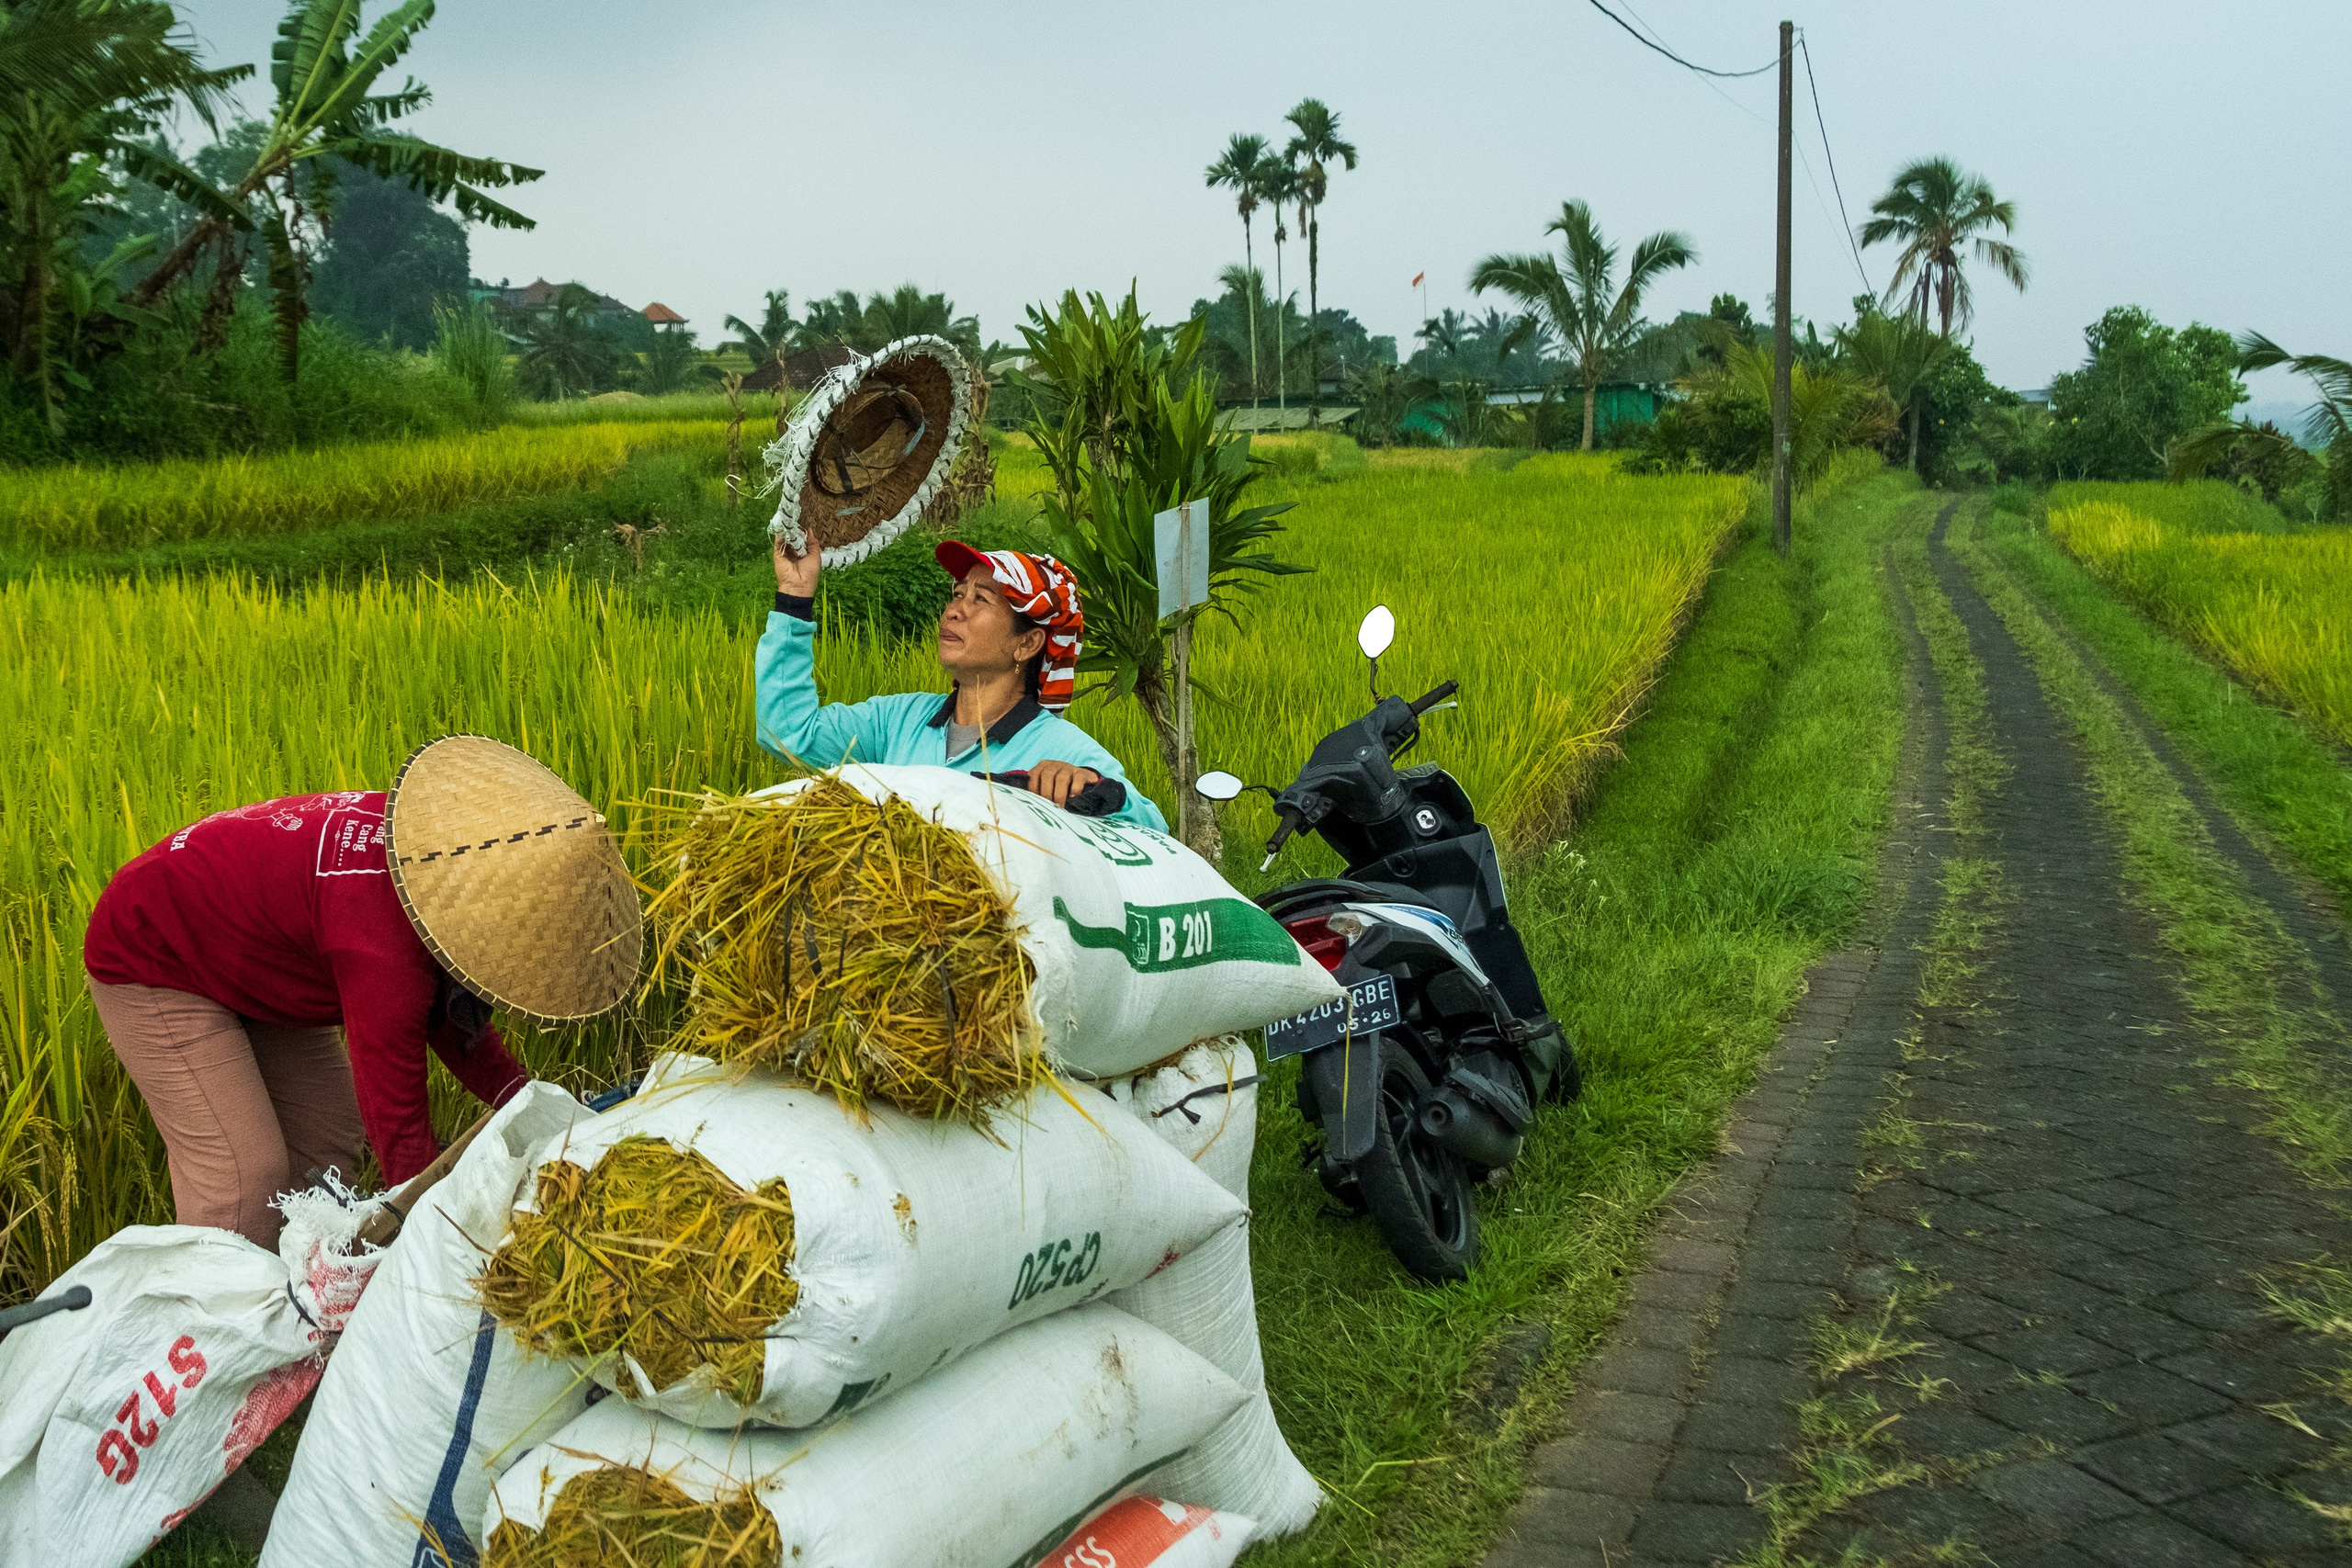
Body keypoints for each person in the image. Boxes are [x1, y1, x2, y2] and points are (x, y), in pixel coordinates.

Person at [81, 739, 643, 1250]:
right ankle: (210, 1343)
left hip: (255, 953)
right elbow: (399, 1132)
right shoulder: (383, 954)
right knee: (244, 1182)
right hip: (154, 951)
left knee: (328, 1144)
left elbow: (452, 1024)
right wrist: (444, 1244)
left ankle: (304, 1297)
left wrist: (532, 1105)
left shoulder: (439, 860)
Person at [760, 534, 1170, 833]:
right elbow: (788, 733)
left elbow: (1151, 831)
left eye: (981, 600)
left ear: (1027, 644)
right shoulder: (897, 721)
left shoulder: (1061, 748)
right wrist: (795, 595)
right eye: (957, 594)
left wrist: (1093, 788)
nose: (955, 610)